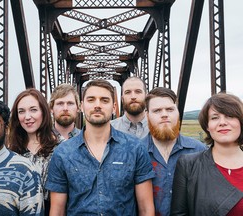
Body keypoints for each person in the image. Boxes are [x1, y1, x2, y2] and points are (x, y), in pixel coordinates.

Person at [46, 79, 156, 216]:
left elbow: (146, 209)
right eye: (91, 100)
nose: (97, 105)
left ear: (114, 107)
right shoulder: (63, 153)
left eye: (104, 100)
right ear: (81, 106)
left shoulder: (135, 149)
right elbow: (57, 211)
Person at [171, 93, 243, 215]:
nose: (222, 122)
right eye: (215, 118)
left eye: (230, 116)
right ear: (207, 126)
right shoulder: (188, 165)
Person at [142, 87, 207, 216]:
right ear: (146, 114)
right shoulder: (135, 152)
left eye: (170, 109)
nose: (164, 114)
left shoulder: (199, 150)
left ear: (177, 112)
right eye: (157, 111)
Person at [8, 88, 57, 215]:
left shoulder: (60, 148)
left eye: (33, 110)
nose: (27, 117)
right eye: (21, 111)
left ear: (44, 112)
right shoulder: (10, 151)